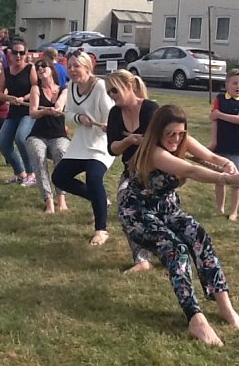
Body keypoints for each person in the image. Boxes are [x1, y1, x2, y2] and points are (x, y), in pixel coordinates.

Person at [118, 104, 239, 346]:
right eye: (170, 134)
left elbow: (210, 157)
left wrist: (226, 163)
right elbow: (191, 170)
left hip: (166, 207)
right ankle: (195, 319)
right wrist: (226, 178)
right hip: (137, 211)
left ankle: (225, 307)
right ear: (157, 132)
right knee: (175, 249)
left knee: (199, 236)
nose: (176, 139)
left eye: (180, 133)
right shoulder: (154, 153)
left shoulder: (182, 140)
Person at [51, 51, 114, 245]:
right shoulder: (71, 86)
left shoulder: (100, 86)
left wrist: (107, 125)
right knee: (59, 177)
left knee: (93, 178)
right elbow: (68, 112)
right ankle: (100, 200)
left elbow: (112, 113)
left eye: (76, 66)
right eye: (69, 66)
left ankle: (101, 230)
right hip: (80, 142)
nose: (72, 70)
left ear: (87, 68)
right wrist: (79, 118)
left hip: (101, 143)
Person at [105, 69, 159, 272]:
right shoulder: (114, 113)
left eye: (114, 90)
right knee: (125, 207)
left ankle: (169, 251)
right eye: (109, 92)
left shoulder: (150, 109)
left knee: (160, 215)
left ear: (129, 86)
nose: (112, 95)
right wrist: (129, 140)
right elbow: (113, 148)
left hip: (157, 173)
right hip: (131, 172)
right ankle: (142, 260)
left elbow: (161, 143)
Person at [26, 58, 69, 213]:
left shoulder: (63, 89)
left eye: (44, 66)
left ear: (52, 69)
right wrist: (44, 111)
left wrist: (56, 108)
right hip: (38, 134)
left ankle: (61, 199)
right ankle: (49, 200)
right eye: (37, 67)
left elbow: (59, 106)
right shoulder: (35, 89)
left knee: (61, 152)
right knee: (38, 155)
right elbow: (33, 112)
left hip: (58, 134)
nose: (40, 69)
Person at [209, 69, 239, 222]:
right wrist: (213, 142)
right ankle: (220, 208)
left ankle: (234, 212)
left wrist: (220, 114)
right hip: (220, 147)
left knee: (237, 181)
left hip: (236, 148)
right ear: (227, 85)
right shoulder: (219, 98)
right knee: (219, 179)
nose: (238, 86)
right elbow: (213, 120)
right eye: (235, 83)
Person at [0, 40, 38, 185]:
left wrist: (24, 98)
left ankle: (32, 174)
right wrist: (9, 98)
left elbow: (36, 89)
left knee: (21, 138)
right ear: (10, 54)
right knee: (3, 143)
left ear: (26, 54)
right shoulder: (6, 72)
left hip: (28, 110)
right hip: (13, 112)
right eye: (15, 52)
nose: (18, 55)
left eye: (21, 53)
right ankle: (20, 173)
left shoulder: (30, 69)